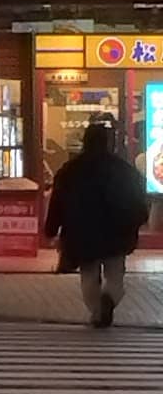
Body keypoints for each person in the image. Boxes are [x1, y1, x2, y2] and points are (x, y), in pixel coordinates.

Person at [45, 121, 148, 328]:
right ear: (109, 143)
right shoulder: (124, 171)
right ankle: (109, 300)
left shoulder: (70, 170)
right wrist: (137, 222)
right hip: (116, 234)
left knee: (89, 276)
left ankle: (97, 312)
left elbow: (58, 201)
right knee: (115, 276)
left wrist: (51, 228)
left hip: (83, 233)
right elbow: (137, 201)